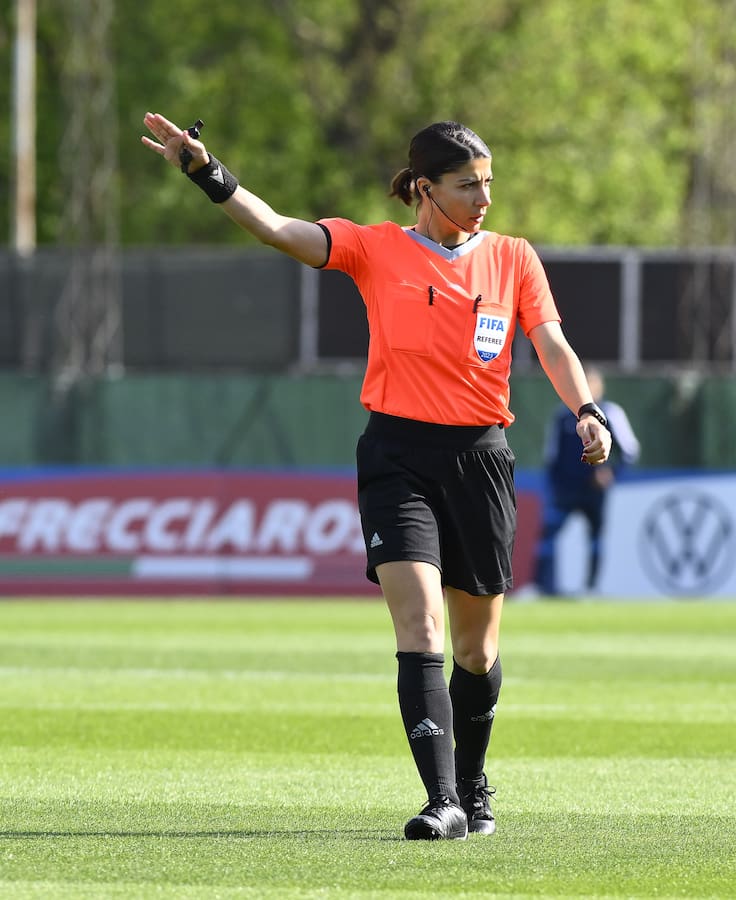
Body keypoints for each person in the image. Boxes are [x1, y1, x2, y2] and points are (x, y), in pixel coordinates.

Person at [140, 113, 612, 840]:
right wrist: (207, 170)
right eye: (467, 185)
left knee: (477, 651)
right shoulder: (375, 248)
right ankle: (442, 800)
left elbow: (551, 342)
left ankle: (472, 782)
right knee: (419, 625)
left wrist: (586, 409)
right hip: (397, 458)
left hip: (481, 459)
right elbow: (276, 228)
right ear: (424, 188)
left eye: (488, 183)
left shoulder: (514, 258)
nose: (484, 198)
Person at [533, 366, 639, 595]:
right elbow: (552, 454)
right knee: (548, 537)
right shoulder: (562, 415)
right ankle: (542, 587)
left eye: (592, 384)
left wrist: (611, 472)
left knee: (595, 539)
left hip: (594, 491)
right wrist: (553, 484)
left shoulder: (610, 413)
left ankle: (590, 589)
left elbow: (629, 450)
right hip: (565, 490)